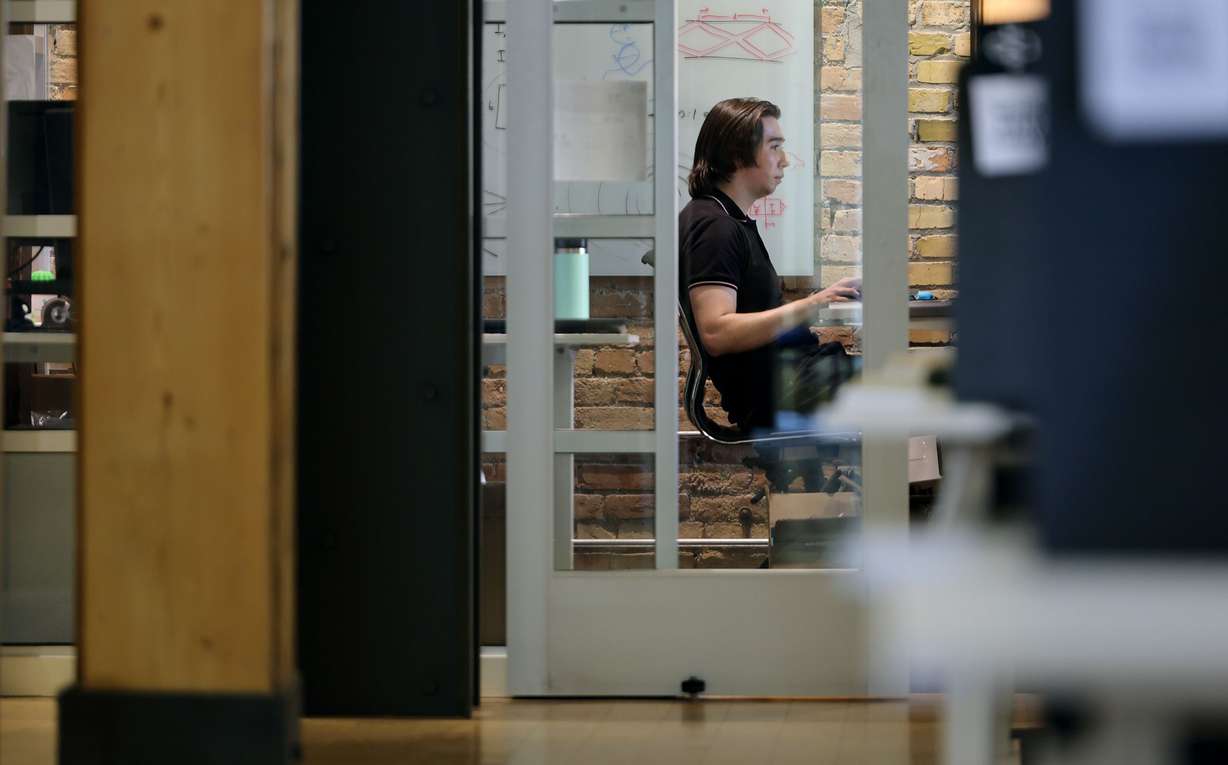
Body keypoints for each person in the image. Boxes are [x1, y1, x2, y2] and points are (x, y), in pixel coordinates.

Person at [680, 97, 862, 432]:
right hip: (782, 392)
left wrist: (826, 297)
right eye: (774, 147)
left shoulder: (726, 218)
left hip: (794, 379)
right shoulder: (714, 227)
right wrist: (813, 304)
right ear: (737, 154)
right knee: (926, 387)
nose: (785, 161)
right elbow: (716, 332)